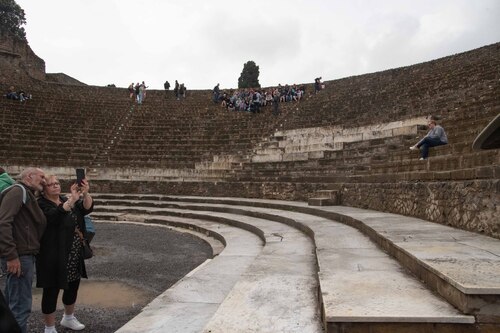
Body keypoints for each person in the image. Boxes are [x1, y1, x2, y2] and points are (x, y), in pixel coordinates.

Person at [36, 175, 93, 333]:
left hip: (73, 251)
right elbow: (54, 217)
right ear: (43, 189)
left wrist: (85, 193)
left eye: (57, 183)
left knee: (72, 286)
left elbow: (86, 208)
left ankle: (68, 318)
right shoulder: (41, 204)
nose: (55, 186)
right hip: (52, 254)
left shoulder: (65, 199)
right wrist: (71, 201)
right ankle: (49, 327)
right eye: (51, 184)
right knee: (51, 289)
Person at [0, 167, 47, 333]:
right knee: (20, 307)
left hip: (22, 255)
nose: (44, 181)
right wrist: (11, 256)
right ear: (29, 176)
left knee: (13, 304)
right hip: (19, 257)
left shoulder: (26, 193)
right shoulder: (18, 191)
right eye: (41, 177)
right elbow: (3, 223)